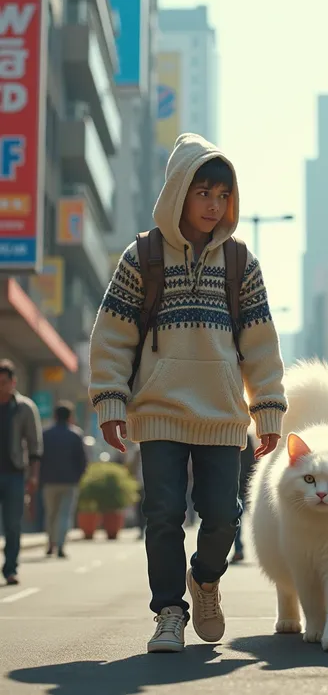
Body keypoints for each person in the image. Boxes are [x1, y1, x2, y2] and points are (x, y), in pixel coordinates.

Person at [89, 133, 287, 653]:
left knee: (223, 516)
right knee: (162, 515)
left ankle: (205, 579)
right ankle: (169, 611)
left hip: (223, 412)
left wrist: (267, 410)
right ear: (179, 192)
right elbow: (113, 334)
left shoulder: (242, 262)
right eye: (203, 193)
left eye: (222, 195)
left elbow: (261, 344)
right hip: (159, 410)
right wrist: (111, 401)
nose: (214, 205)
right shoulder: (143, 256)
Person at [0, 359, 42, 585]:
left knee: (13, 524)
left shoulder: (25, 408)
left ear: (13, 382)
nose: (0, 386)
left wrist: (34, 476)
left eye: (4, 382)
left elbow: (35, 445)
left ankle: (10, 569)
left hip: (15, 474)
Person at [41, 402, 87, 558]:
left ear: (55, 416)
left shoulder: (46, 434)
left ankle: (50, 543)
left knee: (51, 513)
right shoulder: (76, 434)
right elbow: (82, 460)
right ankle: (60, 545)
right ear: (70, 417)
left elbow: (40, 458)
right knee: (65, 514)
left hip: (49, 481)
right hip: (70, 481)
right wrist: (79, 476)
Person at [230, 433, 255, 563]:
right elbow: (252, 462)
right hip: (244, 485)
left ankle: (239, 549)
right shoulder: (246, 438)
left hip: (238, 485)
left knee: (236, 519)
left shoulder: (233, 437)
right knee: (246, 519)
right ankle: (239, 549)